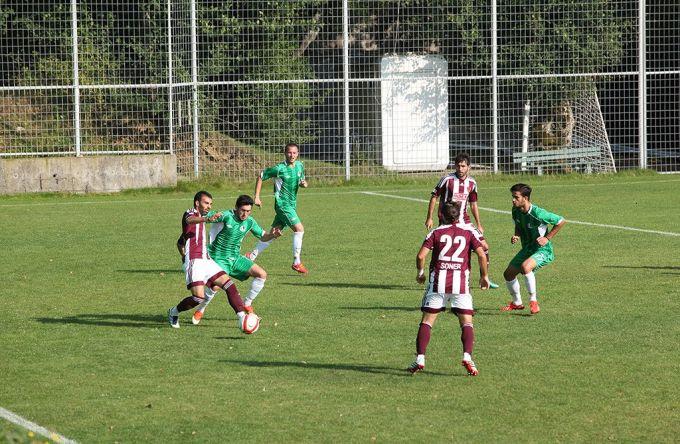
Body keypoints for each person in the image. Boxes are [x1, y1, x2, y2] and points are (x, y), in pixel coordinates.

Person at [408, 201, 490, 376]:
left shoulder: (436, 232)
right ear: (459, 214)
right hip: (461, 285)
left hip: (438, 283)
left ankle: (420, 358)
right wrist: (484, 277)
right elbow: (482, 254)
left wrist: (420, 273)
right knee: (467, 322)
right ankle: (467, 356)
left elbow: (421, 255)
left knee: (427, 322)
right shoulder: (468, 232)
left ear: (441, 215)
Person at [192, 194, 282, 321]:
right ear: (236, 208)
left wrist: (273, 235)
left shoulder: (250, 222)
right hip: (218, 258)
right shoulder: (226, 216)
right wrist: (202, 214)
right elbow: (203, 216)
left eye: (248, 211)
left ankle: (247, 304)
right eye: (243, 210)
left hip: (235, 258)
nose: (245, 214)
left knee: (262, 274)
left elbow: (263, 236)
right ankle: (200, 309)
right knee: (215, 287)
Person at [167, 191, 250, 329]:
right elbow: (189, 220)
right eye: (206, 203)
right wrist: (185, 259)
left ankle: (242, 317)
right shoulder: (190, 213)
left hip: (206, 259)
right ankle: (173, 312)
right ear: (197, 203)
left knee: (229, 285)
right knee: (198, 298)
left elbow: (180, 242)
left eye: (211, 204)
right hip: (195, 261)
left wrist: (182, 252)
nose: (209, 206)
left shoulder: (202, 219)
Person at [425, 152, 499, 288]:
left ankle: (485, 278)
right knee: (441, 250)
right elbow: (434, 196)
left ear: (469, 167)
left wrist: (479, 224)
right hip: (447, 221)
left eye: (463, 166)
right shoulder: (447, 180)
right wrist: (429, 217)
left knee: (485, 247)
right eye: (458, 166)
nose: (460, 169)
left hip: (465, 221)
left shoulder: (472, 183)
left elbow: (473, 204)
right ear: (455, 166)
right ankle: (432, 276)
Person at [501, 183, 566, 314]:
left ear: (525, 198)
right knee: (508, 274)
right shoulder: (515, 210)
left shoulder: (538, 213)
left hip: (543, 250)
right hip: (527, 249)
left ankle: (533, 301)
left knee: (526, 267)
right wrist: (516, 235)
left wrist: (547, 238)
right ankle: (517, 303)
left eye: (516, 197)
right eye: (512, 197)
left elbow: (561, 221)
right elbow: (518, 225)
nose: (513, 200)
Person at [247, 142, 308, 274]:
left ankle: (251, 256)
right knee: (299, 229)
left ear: (298, 154)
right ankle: (296, 262)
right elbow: (261, 176)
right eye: (289, 152)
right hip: (282, 205)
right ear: (285, 153)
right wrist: (256, 196)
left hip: (291, 205)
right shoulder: (279, 168)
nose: (292, 155)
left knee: (274, 233)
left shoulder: (300, 166)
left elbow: (302, 181)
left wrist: (304, 184)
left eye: (294, 153)